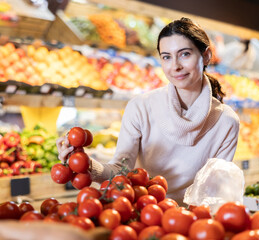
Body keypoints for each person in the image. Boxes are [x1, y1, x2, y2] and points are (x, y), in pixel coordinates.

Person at [56, 17, 240, 206]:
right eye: (167, 57)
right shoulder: (141, 107)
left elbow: (213, 192)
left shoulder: (226, 122)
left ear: (206, 56)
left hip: (191, 223)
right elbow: (122, 169)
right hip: (144, 214)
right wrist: (87, 165)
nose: (175, 66)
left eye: (185, 54)